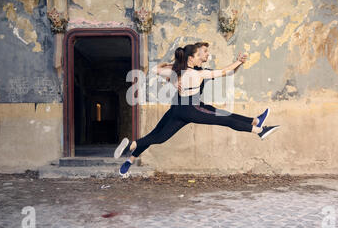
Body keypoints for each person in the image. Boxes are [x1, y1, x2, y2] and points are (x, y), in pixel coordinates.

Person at [114, 44, 279, 177]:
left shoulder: (176, 70)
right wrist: (239, 61)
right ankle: (259, 130)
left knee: (157, 135)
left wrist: (171, 72)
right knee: (224, 119)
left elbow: (155, 69)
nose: (205, 57)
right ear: (191, 58)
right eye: (202, 54)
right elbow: (223, 72)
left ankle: (129, 160)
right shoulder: (197, 74)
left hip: (176, 109)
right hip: (191, 109)